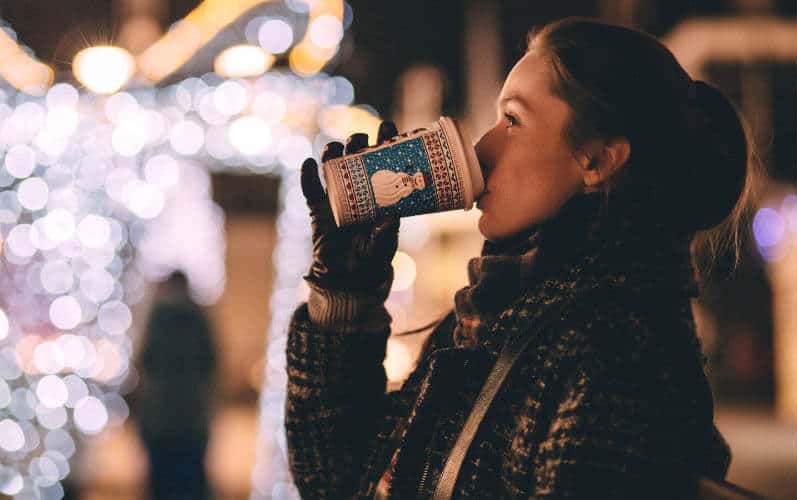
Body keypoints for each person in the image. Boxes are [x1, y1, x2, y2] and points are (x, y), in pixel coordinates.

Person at [285, 18, 752, 499]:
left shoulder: (614, 351)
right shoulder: (494, 315)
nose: (483, 148)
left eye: (513, 120)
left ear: (596, 160)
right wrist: (345, 295)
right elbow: (338, 479)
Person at [136, 271, 217, 500]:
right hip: (191, 416)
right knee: (190, 481)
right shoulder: (198, 317)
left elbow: (145, 361)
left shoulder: (157, 318)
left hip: (160, 416)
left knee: (161, 481)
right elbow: (210, 362)